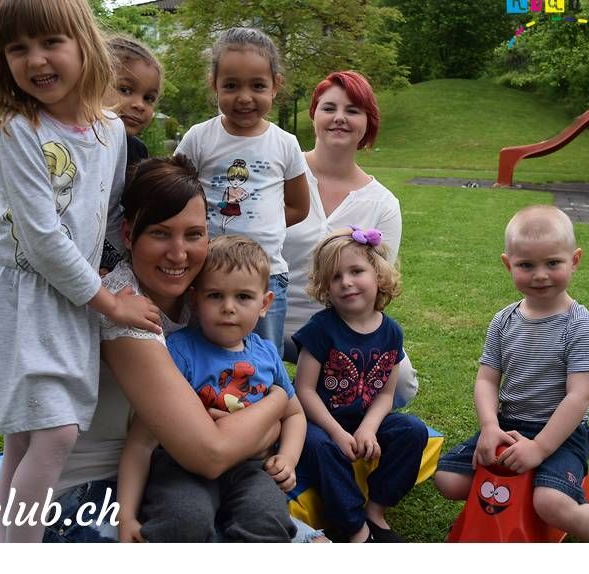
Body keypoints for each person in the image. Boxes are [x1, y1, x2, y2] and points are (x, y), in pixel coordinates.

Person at [0, 0, 161, 543]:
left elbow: (114, 208)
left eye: (49, 42)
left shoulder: (111, 129)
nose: (35, 60)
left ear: (84, 43)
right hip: (21, 291)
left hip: (71, 291)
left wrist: (136, 272)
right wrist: (109, 305)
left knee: (26, 435)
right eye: (16, 48)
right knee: (56, 433)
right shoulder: (18, 128)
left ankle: (7, 545)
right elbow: (42, 238)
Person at [43, 156, 325, 543]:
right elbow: (210, 454)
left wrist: (257, 432)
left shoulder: (205, 298)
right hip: (99, 491)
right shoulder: (122, 306)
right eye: (160, 233)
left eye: (194, 234)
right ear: (128, 234)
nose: (179, 254)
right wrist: (276, 404)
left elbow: (231, 443)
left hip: (199, 478)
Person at [433, 205, 589, 542]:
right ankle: (515, 507)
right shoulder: (504, 320)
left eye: (553, 263)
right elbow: (486, 379)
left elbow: (579, 396)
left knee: (551, 503)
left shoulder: (580, 325)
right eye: (526, 265)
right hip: (509, 425)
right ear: (508, 264)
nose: (540, 275)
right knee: (449, 480)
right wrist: (489, 427)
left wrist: (538, 448)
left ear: (575, 260)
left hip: (561, 434)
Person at [117, 235, 306, 541]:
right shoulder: (180, 353)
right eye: (215, 295)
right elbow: (142, 441)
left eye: (243, 297)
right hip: (181, 468)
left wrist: (288, 458)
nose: (228, 308)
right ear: (195, 299)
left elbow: (294, 413)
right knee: (183, 520)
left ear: (264, 304)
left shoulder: (267, 355)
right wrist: (125, 515)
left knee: (267, 519)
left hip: (251, 469)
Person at [282, 70, 418, 407]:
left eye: (353, 110)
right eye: (329, 108)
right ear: (313, 114)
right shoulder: (282, 172)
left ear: (367, 123)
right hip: (271, 319)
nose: (339, 118)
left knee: (401, 384)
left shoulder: (383, 204)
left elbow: (378, 287)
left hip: (341, 326)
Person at [176, 26, 309, 358]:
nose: (245, 97)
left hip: (265, 275)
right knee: (200, 354)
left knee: (263, 358)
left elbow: (297, 206)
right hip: (207, 272)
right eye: (231, 86)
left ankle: (266, 409)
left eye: (258, 86)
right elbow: (175, 194)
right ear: (214, 85)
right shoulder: (199, 138)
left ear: (276, 86)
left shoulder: (285, 144)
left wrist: (262, 231)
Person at [293, 228, 428, 542]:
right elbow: (304, 391)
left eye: (356, 271)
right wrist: (337, 433)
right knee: (319, 446)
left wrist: (368, 428)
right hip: (320, 421)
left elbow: (386, 393)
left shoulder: (391, 332)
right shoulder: (321, 330)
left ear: (378, 275)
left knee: (412, 431)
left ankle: (376, 510)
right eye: (336, 277)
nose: (347, 282)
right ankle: (355, 527)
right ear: (326, 286)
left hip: (363, 418)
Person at [100, 34, 163, 274]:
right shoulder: (76, 144)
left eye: (149, 98)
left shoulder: (137, 151)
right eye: (125, 90)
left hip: (116, 262)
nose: (140, 105)